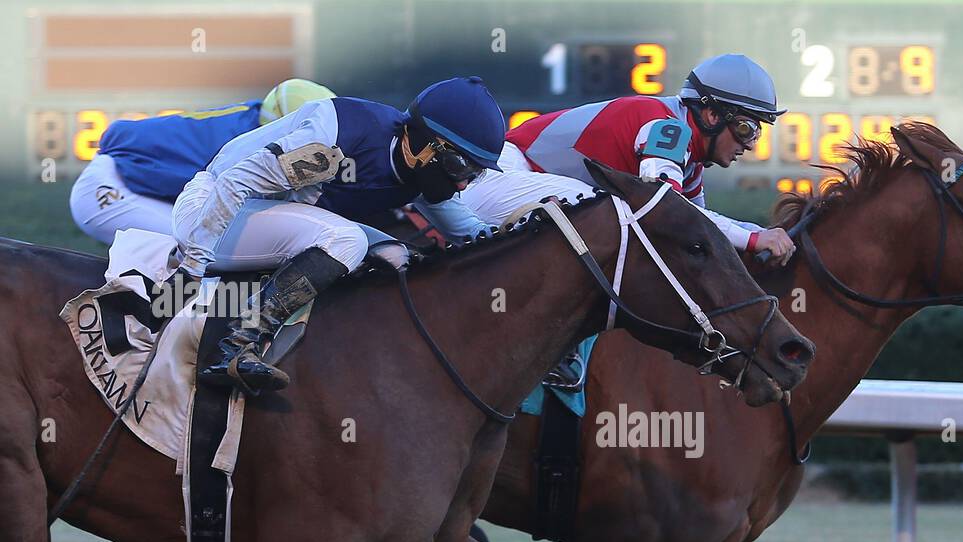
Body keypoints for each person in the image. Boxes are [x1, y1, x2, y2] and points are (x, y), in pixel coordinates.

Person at [459, 53, 795, 387]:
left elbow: (701, 234)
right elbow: (672, 213)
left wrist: (760, 235)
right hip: (496, 180)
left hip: (521, 189)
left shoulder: (690, 165)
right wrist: (753, 239)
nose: (750, 144)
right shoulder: (669, 126)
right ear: (710, 114)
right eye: (745, 127)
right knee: (608, 212)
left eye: (757, 132)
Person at [170, 77, 505, 394]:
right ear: (426, 144)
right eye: (460, 166)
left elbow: (472, 234)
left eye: (473, 174)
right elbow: (233, 184)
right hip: (212, 213)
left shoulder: (416, 167)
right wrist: (191, 269)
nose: (462, 183)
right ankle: (239, 344)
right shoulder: (335, 143)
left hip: (263, 221)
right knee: (348, 241)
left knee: (400, 255)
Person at [69, 79, 336, 244]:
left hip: (129, 182)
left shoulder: (253, 122)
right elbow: (115, 134)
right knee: (204, 245)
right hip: (110, 187)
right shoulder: (241, 141)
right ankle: (146, 329)